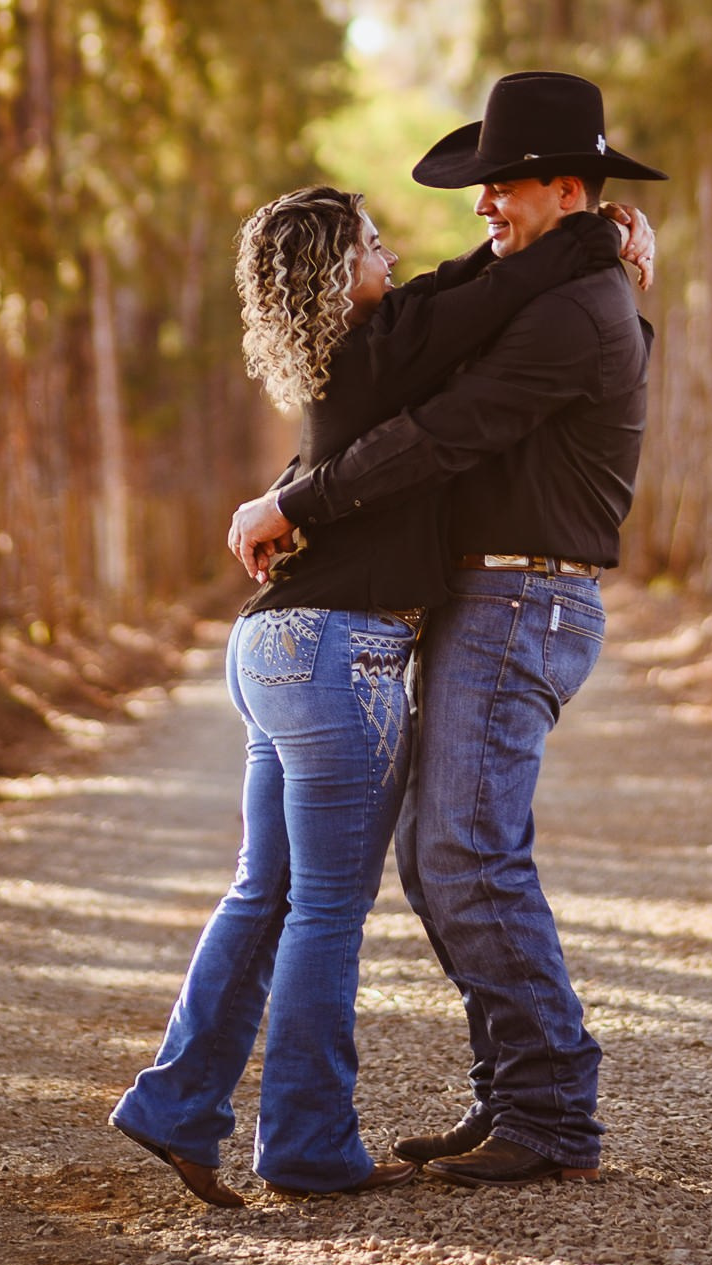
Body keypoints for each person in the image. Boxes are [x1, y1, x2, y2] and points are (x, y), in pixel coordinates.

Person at [110, 180, 635, 1205]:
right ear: (333, 276)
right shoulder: (384, 345)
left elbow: (473, 296)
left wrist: (598, 260)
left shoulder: (345, 363)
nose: (393, 260)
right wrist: (590, 245)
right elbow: (482, 291)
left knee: (263, 891)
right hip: (336, 655)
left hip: (272, 650)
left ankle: (175, 1105)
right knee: (324, 910)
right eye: (371, 247)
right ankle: (307, 1145)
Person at [231, 70, 664, 1192]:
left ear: (569, 190)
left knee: (463, 853)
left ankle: (553, 1113)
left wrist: (296, 503)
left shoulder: (574, 304)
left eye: (506, 186)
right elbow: (430, 343)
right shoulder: (562, 285)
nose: (485, 204)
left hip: (523, 600)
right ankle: (512, 1095)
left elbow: (442, 432)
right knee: (440, 860)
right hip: (491, 595)